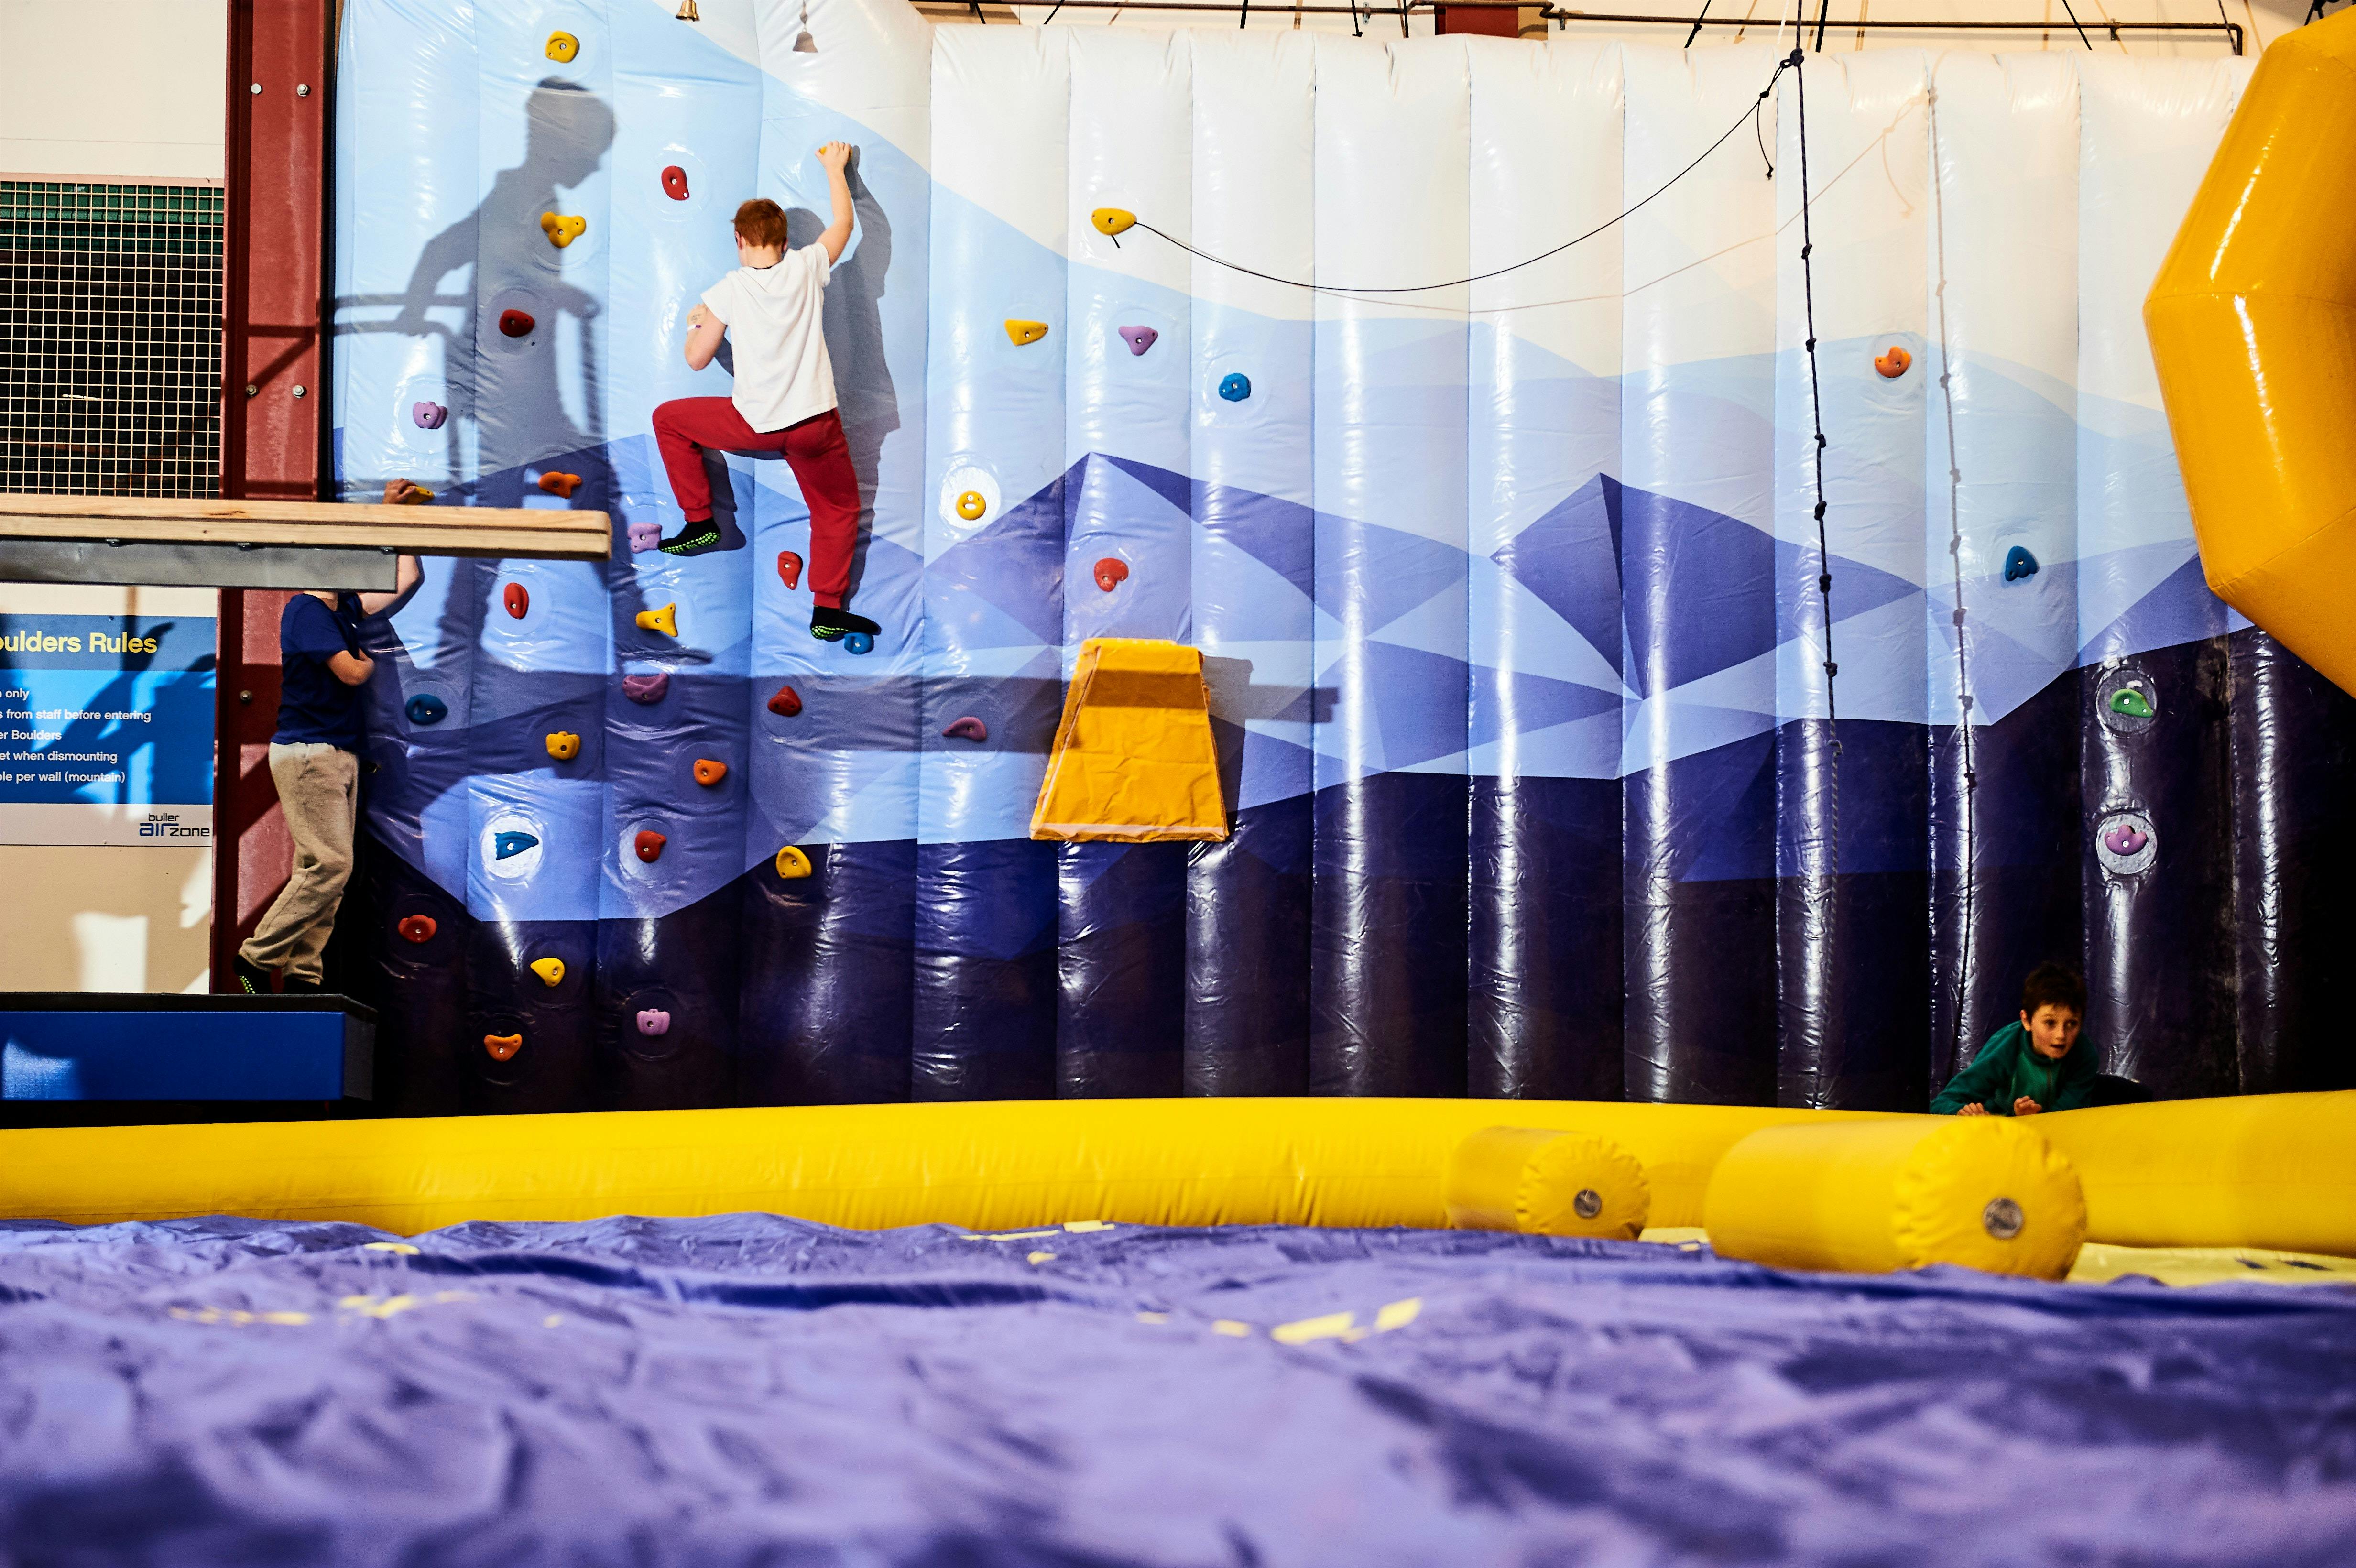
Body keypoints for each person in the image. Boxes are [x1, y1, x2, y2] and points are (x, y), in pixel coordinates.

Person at [650, 142, 879, 646]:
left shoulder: (729, 289)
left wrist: (698, 323)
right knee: (836, 511)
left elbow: (696, 358)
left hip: (755, 425)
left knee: (668, 418)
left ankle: (700, 522)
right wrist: (834, 168)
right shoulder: (805, 268)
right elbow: (844, 224)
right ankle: (826, 609)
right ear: (785, 241)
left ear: (739, 240)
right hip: (815, 425)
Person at [231, 479, 424, 995]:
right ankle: (255, 956)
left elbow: (406, 577)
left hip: (338, 754)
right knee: (332, 865)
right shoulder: (306, 610)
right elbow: (351, 673)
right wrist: (362, 662)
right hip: (310, 753)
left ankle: (302, 973)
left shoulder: (342, 612)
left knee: (322, 873)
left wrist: (396, 519)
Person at [1931, 961, 2100, 1117]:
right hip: (2004, 1128)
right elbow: (1941, 1104)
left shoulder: (2084, 1055)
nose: (2061, 1035)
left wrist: (2032, 1121)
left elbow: (2067, 1118)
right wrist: (1963, 1113)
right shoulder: (2005, 1049)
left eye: (2071, 1024)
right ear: (2027, 1021)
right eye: (2050, 1023)